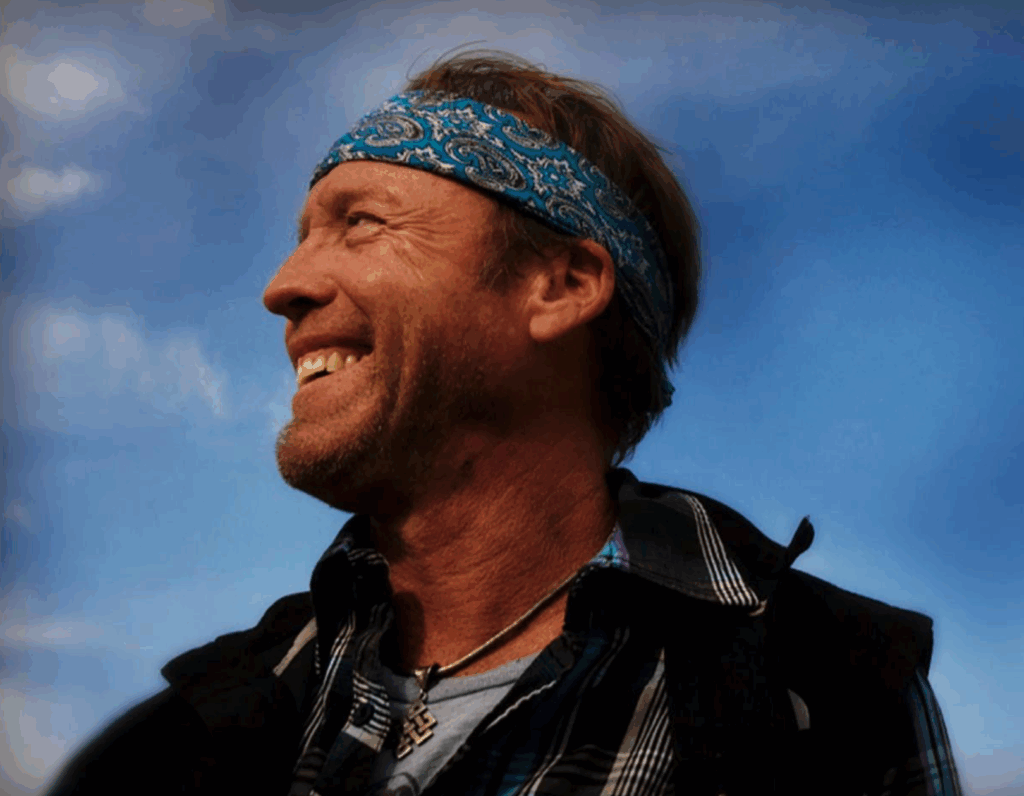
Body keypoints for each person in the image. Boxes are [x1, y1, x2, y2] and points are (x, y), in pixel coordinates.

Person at [47, 50, 962, 796]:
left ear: (562, 285)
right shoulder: (182, 736)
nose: (283, 287)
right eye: (302, 236)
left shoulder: (826, 694)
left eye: (360, 223)